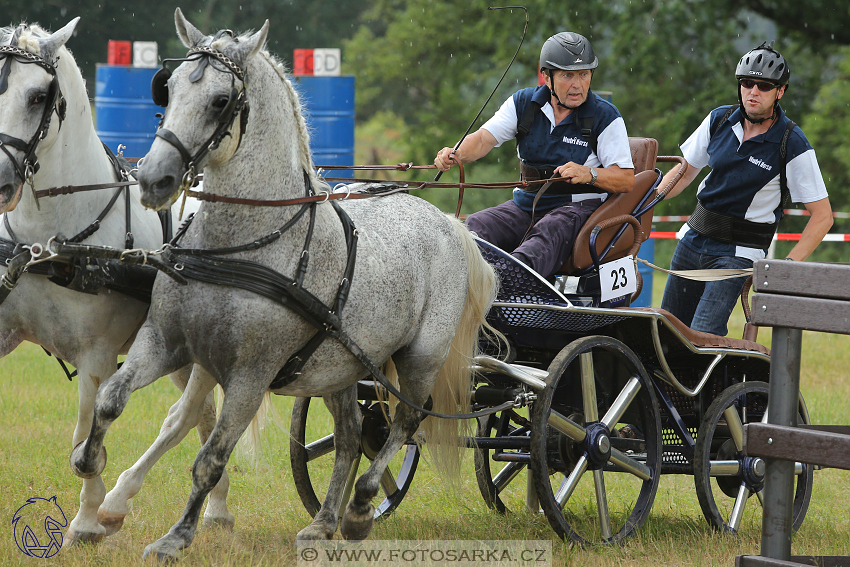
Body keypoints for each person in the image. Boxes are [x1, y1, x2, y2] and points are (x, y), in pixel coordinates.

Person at [659, 41, 833, 337]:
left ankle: (712, 385)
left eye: (764, 86)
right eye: (747, 83)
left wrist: (787, 265)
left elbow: (823, 216)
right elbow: (684, 173)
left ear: (780, 91)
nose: (753, 91)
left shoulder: (792, 142)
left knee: (702, 337)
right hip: (691, 240)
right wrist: (644, 201)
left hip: (737, 253)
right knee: (665, 332)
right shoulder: (719, 119)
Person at [434, 32, 635, 279]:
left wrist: (589, 173)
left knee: (540, 242)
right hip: (526, 205)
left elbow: (626, 179)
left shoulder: (606, 116)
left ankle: (506, 290)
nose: (578, 85)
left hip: (576, 210)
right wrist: (456, 153)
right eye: (567, 75)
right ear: (547, 77)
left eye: (584, 74)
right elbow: (484, 138)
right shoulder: (523, 103)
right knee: (474, 229)